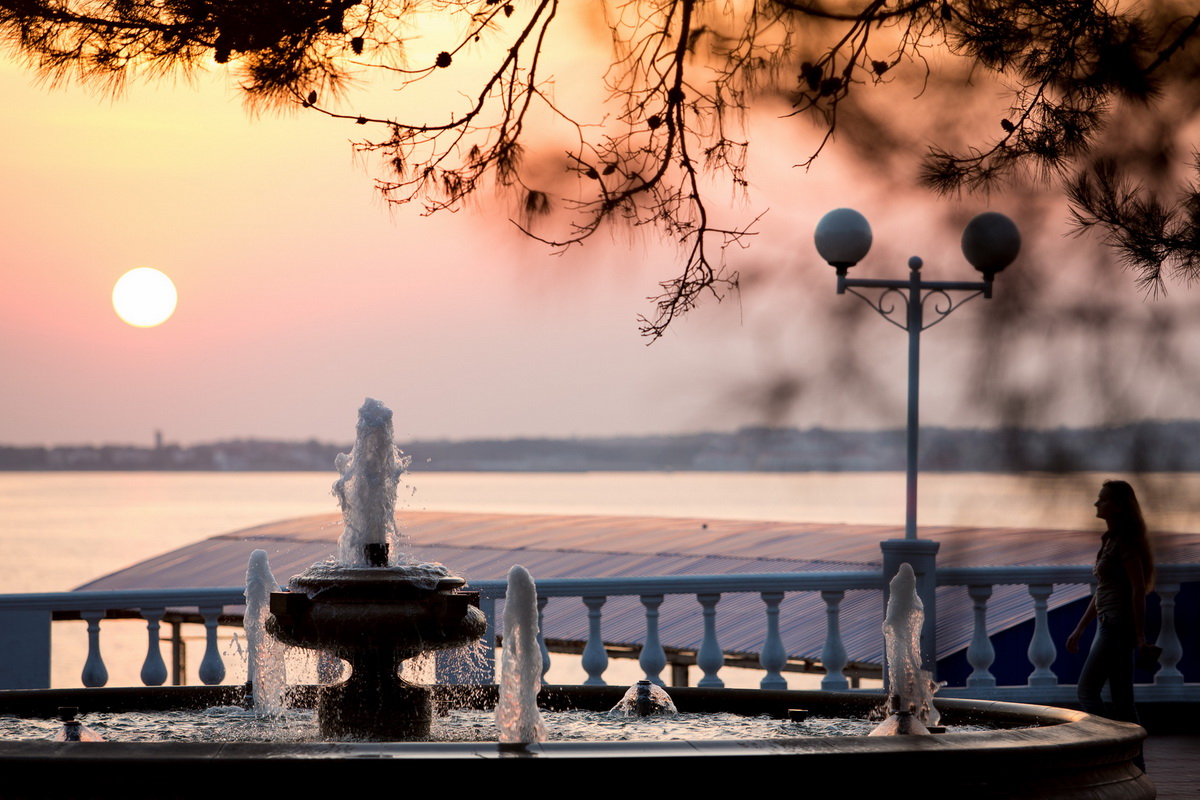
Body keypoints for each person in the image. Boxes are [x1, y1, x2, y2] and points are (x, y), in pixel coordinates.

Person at [1066, 480, 1156, 761]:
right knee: (1122, 701)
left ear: (1118, 506)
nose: (1096, 503)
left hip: (1118, 626)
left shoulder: (1126, 542)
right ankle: (1135, 764)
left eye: (1102, 499)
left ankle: (1114, 749)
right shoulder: (1112, 540)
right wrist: (1080, 629)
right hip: (1108, 623)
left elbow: (1138, 590)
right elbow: (1102, 591)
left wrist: (1140, 636)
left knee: (1087, 692)